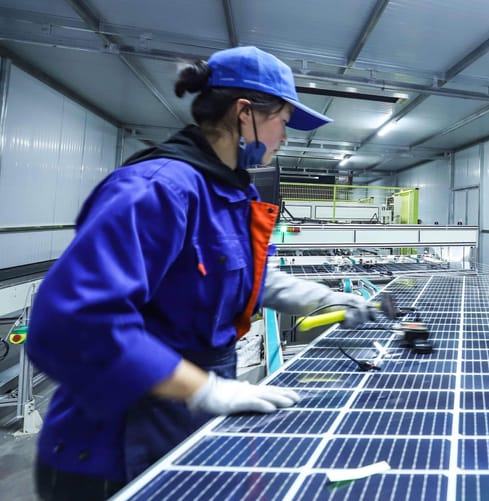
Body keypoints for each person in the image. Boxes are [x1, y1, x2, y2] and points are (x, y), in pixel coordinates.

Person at [26, 46, 374, 500]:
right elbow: (74, 323)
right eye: (283, 121)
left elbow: (251, 278)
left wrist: (327, 298)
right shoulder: (156, 189)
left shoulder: (231, 194)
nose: (285, 137)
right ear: (245, 114)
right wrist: (207, 389)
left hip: (184, 423)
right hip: (114, 445)